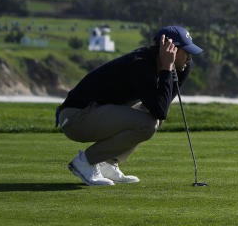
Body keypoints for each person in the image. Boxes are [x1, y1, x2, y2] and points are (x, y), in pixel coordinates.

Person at [56, 25, 202, 186]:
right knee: (147, 123)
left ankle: (109, 164)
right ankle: (85, 161)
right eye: (186, 52)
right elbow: (161, 110)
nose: (190, 58)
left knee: (152, 118)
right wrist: (167, 68)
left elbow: (161, 107)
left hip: (98, 113)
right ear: (168, 49)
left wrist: (169, 69)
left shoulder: (181, 66)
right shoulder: (140, 64)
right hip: (76, 117)